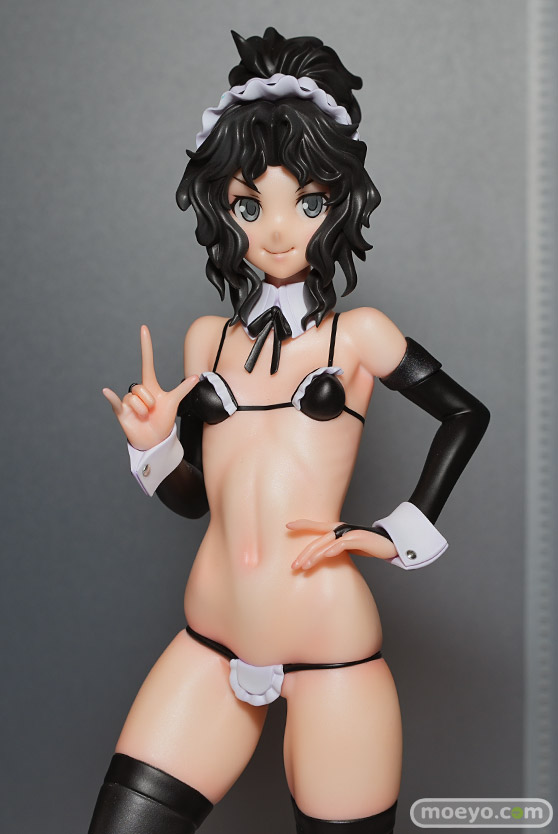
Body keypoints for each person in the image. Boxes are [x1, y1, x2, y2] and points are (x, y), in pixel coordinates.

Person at [90, 27, 490, 834]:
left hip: (331, 654)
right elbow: (197, 501)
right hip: (208, 646)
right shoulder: (208, 343)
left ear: (338, 202)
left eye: (306, 202)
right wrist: (152, 446)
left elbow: (464, 413)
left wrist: (397, 531)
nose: (277, 230)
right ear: (222, 207)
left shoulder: (361, 336)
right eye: (250, 205)